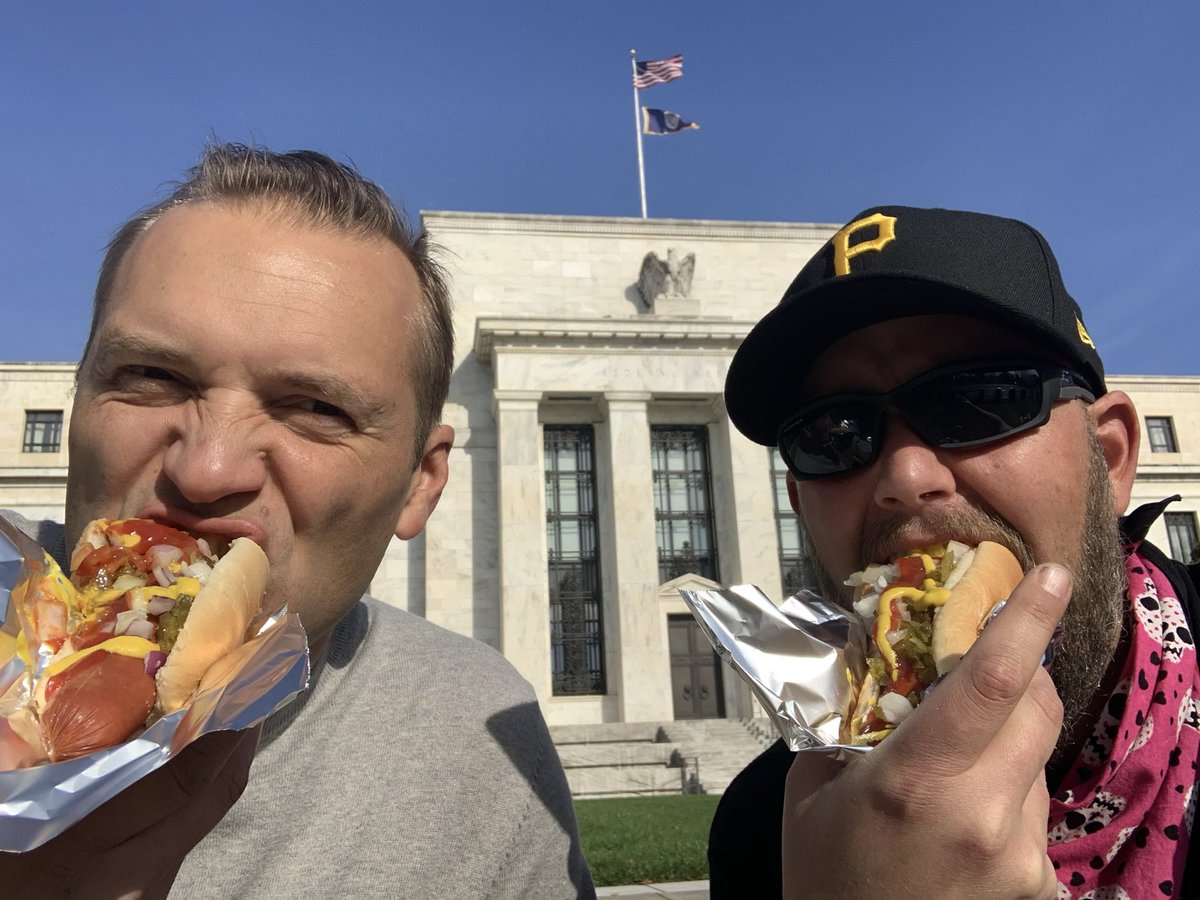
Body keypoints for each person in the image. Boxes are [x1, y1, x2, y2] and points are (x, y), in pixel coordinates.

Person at [1, 143, 594, 898]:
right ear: (78, 400)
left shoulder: (475, 733)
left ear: (420, 484)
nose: (207, 469)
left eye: (315, 408)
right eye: (152, 376)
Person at [710, 206, 1200, 898]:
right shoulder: (768, 830)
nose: (905, 476)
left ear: (1110, 460)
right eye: (833, 435)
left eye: (980, 400)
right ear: (799, 504)